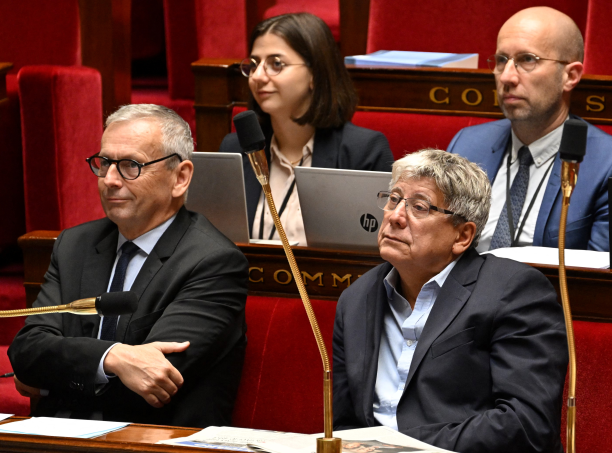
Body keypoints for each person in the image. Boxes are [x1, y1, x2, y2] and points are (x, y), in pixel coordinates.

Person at [9, 104, 249, 428]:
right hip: (58, 442)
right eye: (105, 162)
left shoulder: (213, 262)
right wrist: (116, 358)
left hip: (153, 451)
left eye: (130, 166)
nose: (109, 179)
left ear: (180, 177)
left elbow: (154, 381)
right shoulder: (75, 245)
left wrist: (53, 377)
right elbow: (26, 350)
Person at [333, 149, 568, 453]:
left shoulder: (514, 291)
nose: (395, 216)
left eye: (419, 207)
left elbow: (526, 425)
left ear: (462, 236)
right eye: (393, 198)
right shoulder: (356, 300)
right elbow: (345, 422)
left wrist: (399, 447)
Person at [447, 7, 612, 252]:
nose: (507, 77)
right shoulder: (467, 145)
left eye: (527, 59)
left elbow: (601, 282)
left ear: (570, 76)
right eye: (501, 60)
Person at [220, 13, 394, 245]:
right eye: (253, 64)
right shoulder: (236, 148)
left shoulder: (363, 152)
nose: (258, 76)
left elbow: (379, 251)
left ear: (315, 73)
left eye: (276, 64)